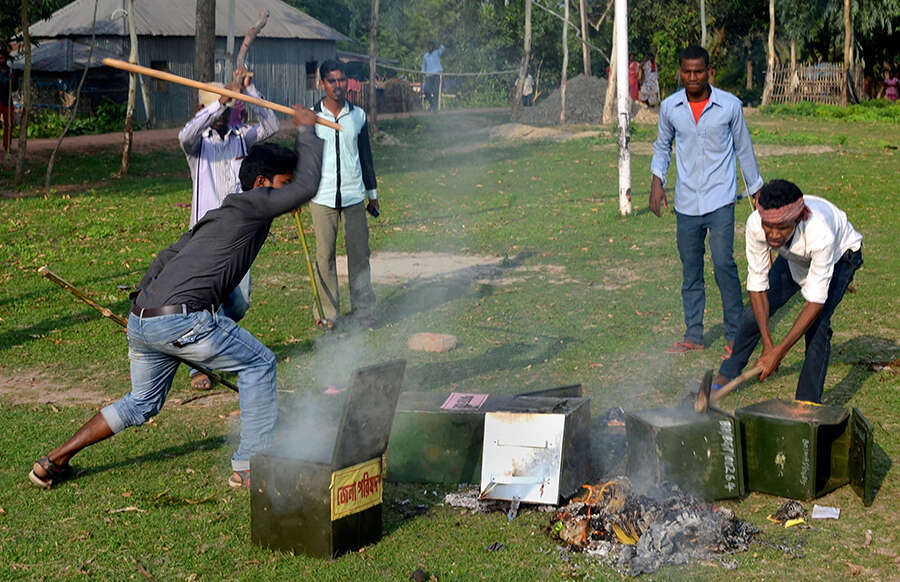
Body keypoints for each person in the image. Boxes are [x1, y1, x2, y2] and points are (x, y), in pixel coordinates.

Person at [27, 108, 324, 490]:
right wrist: (307, 130)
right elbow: (309, 187)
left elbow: (166, 257)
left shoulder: (221, 214)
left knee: (141, 404)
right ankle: (249, 467)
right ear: (262, 183)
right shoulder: (253, 205)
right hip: (181, 320)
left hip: (145, 318)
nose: (292, 197)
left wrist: (143, 314)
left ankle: (53, 461)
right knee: (260, 364)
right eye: (285, 183)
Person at [650, 45, 763, 357]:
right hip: (686, 202)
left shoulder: (729, 106)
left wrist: (756, 190)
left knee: (724, 264)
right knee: (691, 269)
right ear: (680, 72)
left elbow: (744, 149)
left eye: (698, 71)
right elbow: (662, 146)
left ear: (708, 71)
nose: (692, 77)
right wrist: (656, 182)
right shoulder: (670, 107)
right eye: (686, 71)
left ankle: (735, 334)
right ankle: (694, 334)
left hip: (721, 199)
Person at [714, 180, 862, 403]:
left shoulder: (821, 233)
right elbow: (757, 286)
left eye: (782, 227)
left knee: (818, 325)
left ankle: (808, 401)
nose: (773, 235)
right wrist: (768, 345)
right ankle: (725, 376)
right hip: (793, 256)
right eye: (769, 227)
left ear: (798, 218)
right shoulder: (757, 225)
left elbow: (814, 302)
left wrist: (778, 353)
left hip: (840, 256)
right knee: (752, 313)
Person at [178, 66, 279, 390]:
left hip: (239, 234)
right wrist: (218, 104)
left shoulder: (241, 140)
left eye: (227, 108)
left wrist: (249, 91)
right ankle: (198, 367)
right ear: (206, 110)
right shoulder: (197, 146)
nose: (223, 115)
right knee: (206, 300)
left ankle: (207, 346)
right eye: (218, 109)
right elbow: (186, 134)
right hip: (206, 236)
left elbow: (272, 124)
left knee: (238, 303)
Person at [308, 60, 379, 328]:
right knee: (324, 256)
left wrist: (372, 194)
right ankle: (327, 314)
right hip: (322, 197)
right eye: (332, 81)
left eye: (342, 80)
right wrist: (297, 194)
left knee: (359, 254)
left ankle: (364, 309)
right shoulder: (312, 116)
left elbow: (365, 156)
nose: (338, 86)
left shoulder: (357, 115)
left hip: (353, 196)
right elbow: (303, 158)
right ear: (322, 83)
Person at [0, 48, 19, 153]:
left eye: (2, 58)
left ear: (6, 59)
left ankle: (7, 146)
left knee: (9, 124)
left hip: (7, 101)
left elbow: (15, 88)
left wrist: (13, 80)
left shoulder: (12, 72)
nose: (0, 60)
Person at [422, 42, 445, 112]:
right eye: (429, 46)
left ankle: (434, 109)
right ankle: (432, 105)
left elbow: (443, 48)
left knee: (436, 91)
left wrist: (439, 41)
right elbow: (423, 67)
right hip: (428, 75)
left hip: (437, 75)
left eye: (432, 46)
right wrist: (422, 73)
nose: (430, 47)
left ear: (434, 47)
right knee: (426, 90)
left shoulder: (437, 53)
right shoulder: (425, 56)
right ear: (428, 47)